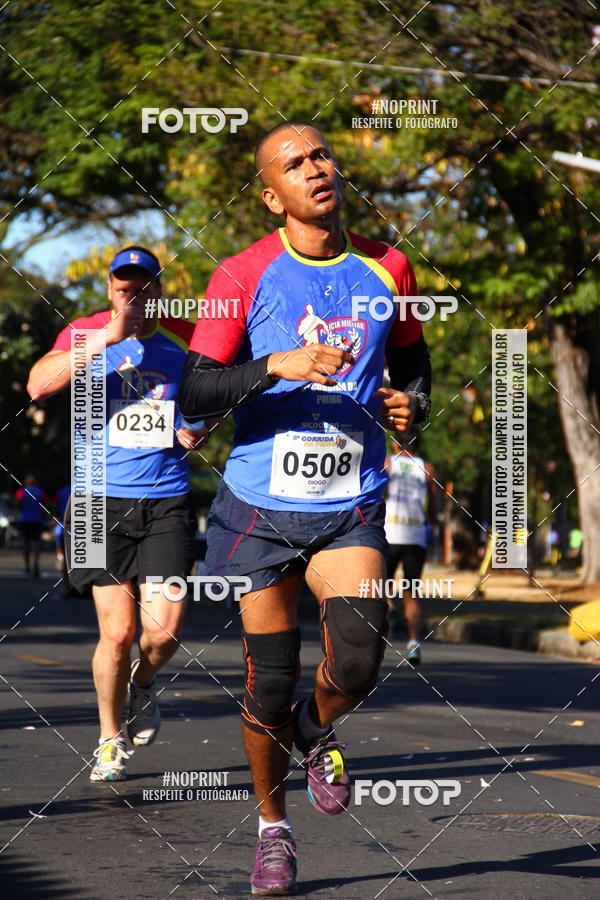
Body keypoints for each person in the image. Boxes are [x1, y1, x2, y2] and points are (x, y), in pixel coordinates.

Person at [179, 123, 431, 895]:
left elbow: (416, 364)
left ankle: (316, 731)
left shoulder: (389, 268)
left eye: (321, 154)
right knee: (269, 680)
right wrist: (274, 364)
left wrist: (409, 406)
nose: (315, 168)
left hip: (349, 499)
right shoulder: (243, 272)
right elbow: (195, 391)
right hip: (259, 506)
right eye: (294, 164)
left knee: (357, 657)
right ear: (271, 193)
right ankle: (273, 831)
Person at [27, 246, 208, 782]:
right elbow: (39, 383)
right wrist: (104, 338)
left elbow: (216, 395)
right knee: (118, 632)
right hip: (92, 502)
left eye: (144, 286)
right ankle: (109, 737)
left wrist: (201, 429)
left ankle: (143, 684)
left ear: (159, 292)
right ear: (109, 288)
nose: (133, 294)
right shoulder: (84, 331)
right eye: (123, 285)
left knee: (164, 631)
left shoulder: (183, 336)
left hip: (167, 497)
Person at [385, 428, 438, 665]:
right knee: (411, 592)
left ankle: (386, 618)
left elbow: (377, 493)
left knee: (381, 586)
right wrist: (430, 525)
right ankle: (413, 644)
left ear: (396, 445)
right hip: (415, 536)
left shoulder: (388, 463)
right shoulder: (427, 469)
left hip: (389, 534)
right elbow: (434, 505)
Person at [15, 474, 49, 578]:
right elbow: (45, 503)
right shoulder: (40, 492)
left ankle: (27, 567)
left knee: (26, 543)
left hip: (25, 519)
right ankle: (36, 564)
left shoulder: (22, 491)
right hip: (36, 519)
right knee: (36, 543)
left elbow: (18, 503)